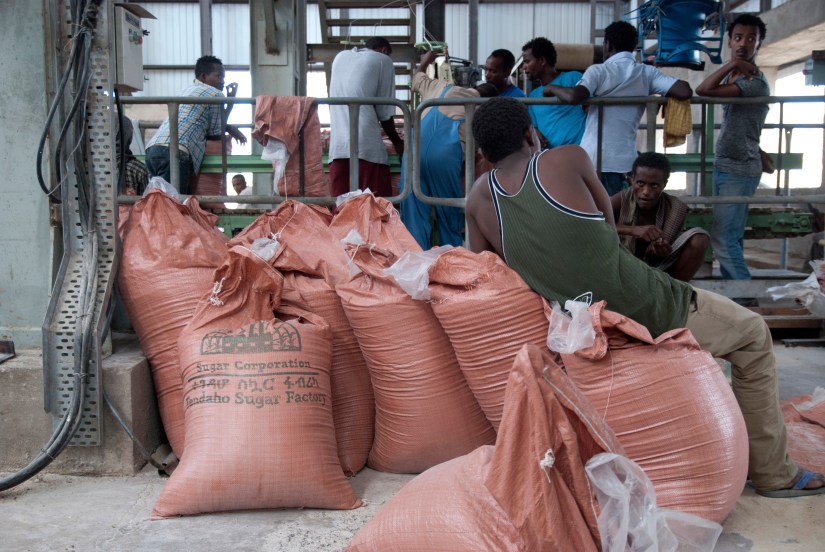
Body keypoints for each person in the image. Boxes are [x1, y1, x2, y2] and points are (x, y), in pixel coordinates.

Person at [466, 97, 825, 499]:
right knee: (753, 335)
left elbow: (490, 277)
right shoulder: (565, 159)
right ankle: (775, 474)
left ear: (482, 152)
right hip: (649, 306)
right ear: (529, 133)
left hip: (582, 332)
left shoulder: (479, 201)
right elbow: (608, 225)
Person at [545, 21, 692, 196]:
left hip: (594, 160)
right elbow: (684, 90)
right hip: (625, 162)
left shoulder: (599, 71)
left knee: (593, 214)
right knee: (616, 215)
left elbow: (575, 96)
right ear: (633, 46)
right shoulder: (646, 73)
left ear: (608, 45)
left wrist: (551, 88)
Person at [696, 14, 773, 282]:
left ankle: (748, 300)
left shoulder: (753, 83)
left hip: (739, 168)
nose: (744, 43)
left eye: (751, 39)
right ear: (729, 40)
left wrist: (732, 63)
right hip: (727, 164)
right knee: (731, 239)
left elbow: (703, 89)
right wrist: (734, 66)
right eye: (738, 37)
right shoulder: (738, 75)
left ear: (759, 45)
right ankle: (739, 301)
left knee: (724, 241)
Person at [400, 51, 497, 248]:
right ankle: (451, 265)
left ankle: (415, 266)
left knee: (412, 217)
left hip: (411, 154)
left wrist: (426, 59)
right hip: (443, 158)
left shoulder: (440, 86)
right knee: (449, 214)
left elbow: (416, 77)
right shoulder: (481, 108)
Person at [145, 55, 246, 195]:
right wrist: (230, 103)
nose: (223, 82)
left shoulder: (187, 90)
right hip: (175, 153)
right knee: (174, 206)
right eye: (219, 76)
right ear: (204, 76)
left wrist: (228, 126)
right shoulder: (216, 94)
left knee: (161, 202)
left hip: (153, 150)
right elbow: (216, 135)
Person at [612, 152, 710, 282]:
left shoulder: (675, 207)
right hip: (621, 265)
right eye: (640, 183)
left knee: (700, 239)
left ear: (664, 184)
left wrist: (659, 250)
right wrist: (633, 230)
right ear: (632, 180)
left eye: (654, 185)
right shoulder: (622, 198)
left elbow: (665, 248)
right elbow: (590, 221)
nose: (646, 192)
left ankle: (674, 293)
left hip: (660, 269)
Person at [328, 36, 404, 198]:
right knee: (374, 209)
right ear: (384, 51)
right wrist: (398, 143)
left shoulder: (340, 57)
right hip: (366, 149)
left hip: (338, 149)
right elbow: (385, 112)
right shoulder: (383, 60)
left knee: (342, 211)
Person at [521, 37, 586, 149]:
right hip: (553, 156)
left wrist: (553, 88)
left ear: (542, 60)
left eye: (527, 61)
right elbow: (534, 126)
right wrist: (535, 131)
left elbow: (592, 111)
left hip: (581, 151)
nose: (524, 67)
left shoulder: (574, 78)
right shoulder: (533, 96)